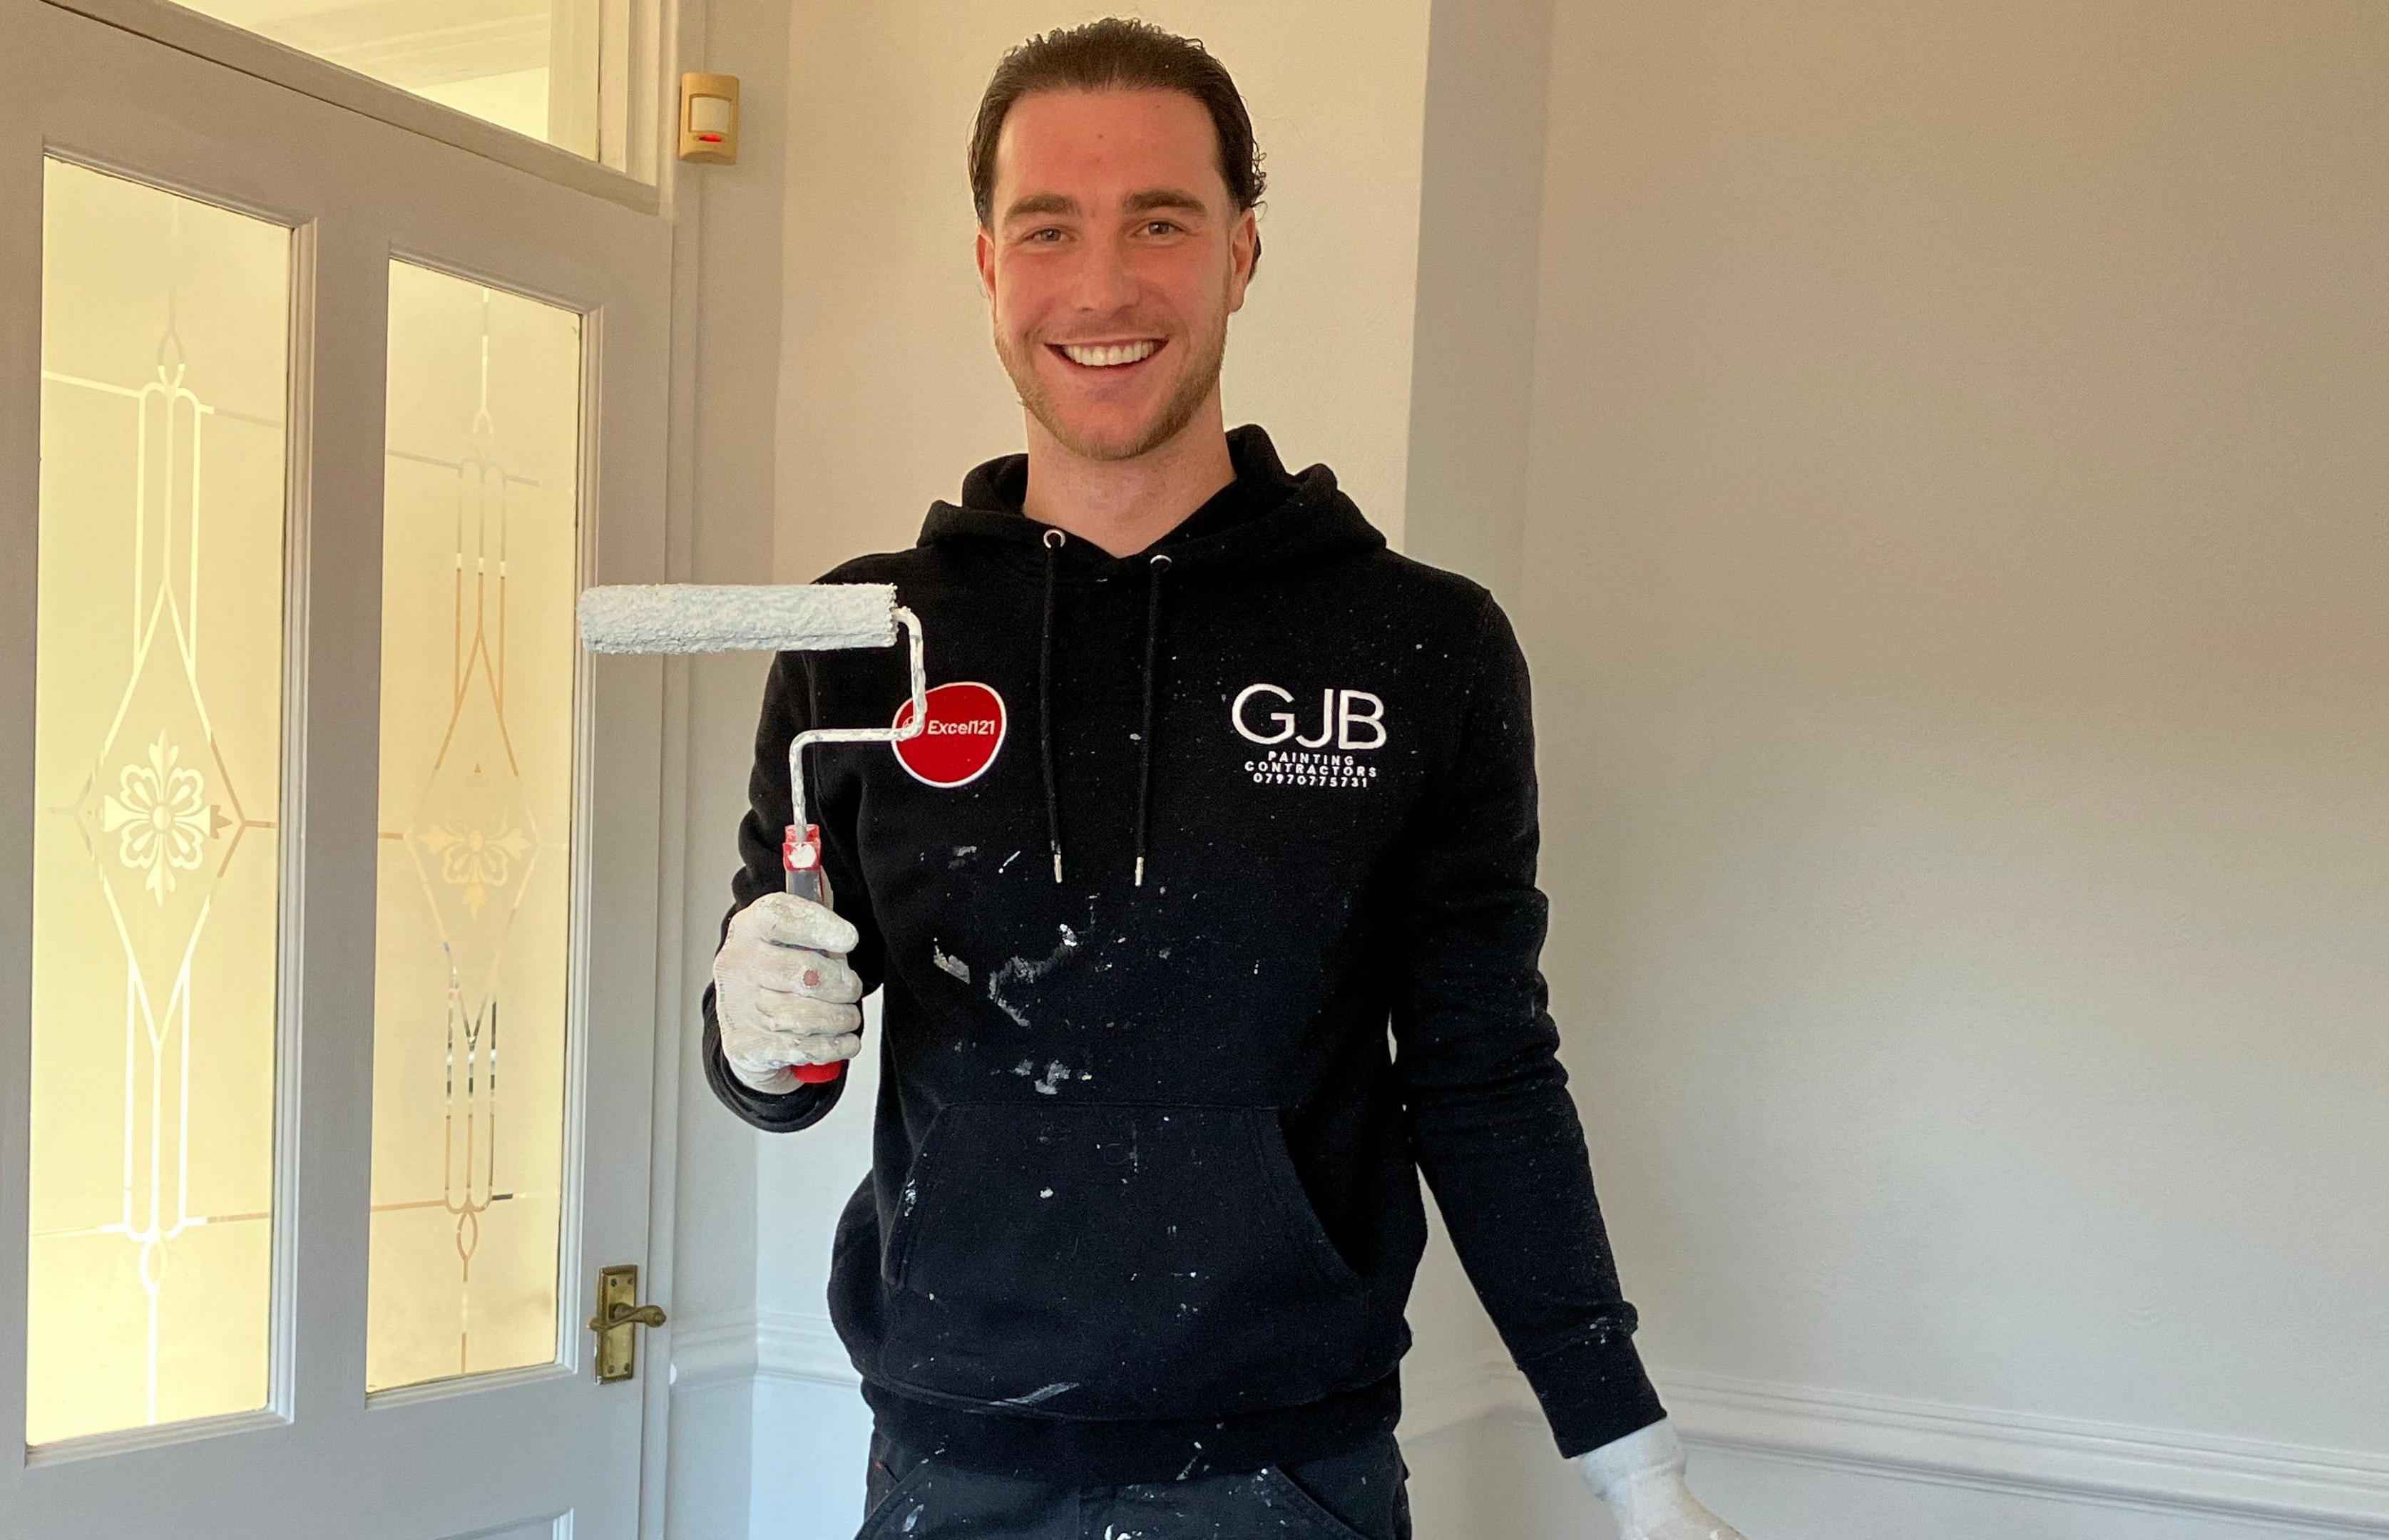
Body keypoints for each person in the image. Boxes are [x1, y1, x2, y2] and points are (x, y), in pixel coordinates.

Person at [702, 19, 1751, 1539]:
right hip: (952, 1469)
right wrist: (752, 1028)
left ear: (1243, 251)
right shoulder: (864, 643)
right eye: (1048, 227)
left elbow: (1485, 1074)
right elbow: (782, 1084)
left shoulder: (1419, 645)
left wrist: (1628, 1459)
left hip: (1287, 1478)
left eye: (1162, 223)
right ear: (989, 265)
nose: (1104, 284)